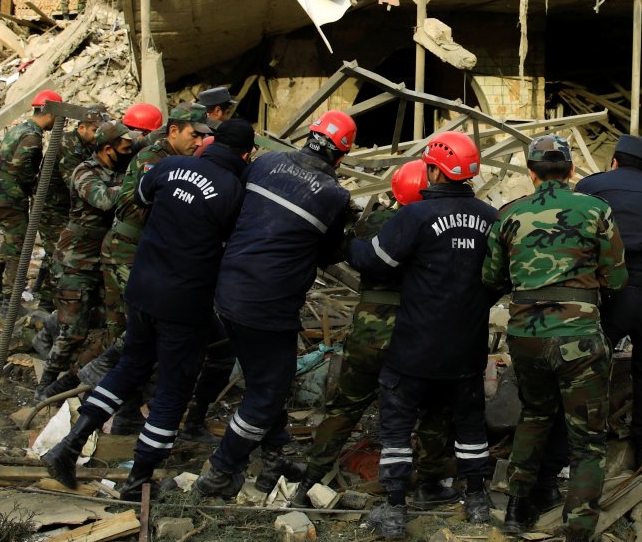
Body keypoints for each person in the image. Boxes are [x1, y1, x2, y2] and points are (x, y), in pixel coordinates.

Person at [41, 119, 254, 500]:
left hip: (141, 288)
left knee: (130, 367)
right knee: (174, 389)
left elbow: (138, 199)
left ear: (211, 142)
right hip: (184, 302)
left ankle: (68, 446)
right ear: (246, 155)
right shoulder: (234, 191)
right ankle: (138, 480)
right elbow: (233, 242)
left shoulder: (168, 167)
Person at [483, 134, 625, 542]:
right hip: (579, 337)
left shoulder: (508, 214)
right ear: (569, 171)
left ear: (530, 171)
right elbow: (617, 277)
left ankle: (515, 511)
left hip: (524, 335)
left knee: (535, 415)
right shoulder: (596, 210)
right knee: (587, 443)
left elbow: (490, 277)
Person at [196, 109, 357, 499]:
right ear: (341, 154)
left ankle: (274, 459)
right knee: (268, 391)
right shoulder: (334, 195)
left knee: (268, 379)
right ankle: (221, 470)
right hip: (269, 303)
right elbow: (327, 254)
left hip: (228, 287)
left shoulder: (265, 163)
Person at [350, 132, 499, 538]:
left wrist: (347, 242)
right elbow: (500, 278)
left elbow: (375, 262)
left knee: (397, 424)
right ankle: (477, 500)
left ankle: (395, 508)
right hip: (466, 347)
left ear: (434, 169)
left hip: (414, 346)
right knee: (469, 424)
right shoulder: (490, 218)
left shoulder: (414, 217)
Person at [292, 160, 455, 509]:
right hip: (419, 330)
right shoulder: (438, 226)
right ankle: (429, 482)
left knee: (347, 404)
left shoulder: (373, 223)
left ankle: (311, 476)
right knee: (432, 407)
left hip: (370, 330)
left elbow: (335, 250)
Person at [98, 103, 219, 437]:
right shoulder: (156, 160)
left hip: (147, 255)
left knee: (141, 334)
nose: (198, 143)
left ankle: (134, 404)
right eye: (194, 135)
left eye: (203, 137)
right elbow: (140, 205)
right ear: (174, 131)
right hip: (128, 252)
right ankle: (118, 399)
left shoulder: (178, 161)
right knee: (132, 333)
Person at [575, 134, 642, 467]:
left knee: (589, 369)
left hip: (609, 293)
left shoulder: (589, 186)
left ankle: (585, 449)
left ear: (614, 162)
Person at [37, 119, 141, 400]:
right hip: (76, 259)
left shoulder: (120, 169)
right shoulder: (85, 172)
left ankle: (71, 373)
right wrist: (139, 188)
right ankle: (44, 386)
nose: (130, 151)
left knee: (98, 324)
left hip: (104, 260)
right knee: (73, 330)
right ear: (108, 149)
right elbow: (103, 200)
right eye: (125, 148)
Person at [19, 105, 107, 309]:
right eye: (95, 131)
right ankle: (48, 305)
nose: (97, 136)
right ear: (82, 128)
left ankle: (47, 295)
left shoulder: (88, 144)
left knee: (57, 252)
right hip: (52, 209)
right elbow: (75, 184)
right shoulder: (68, 144)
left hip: (67, 208)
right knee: (58, 256)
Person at [0, 90, 61, 304]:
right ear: (51, 114)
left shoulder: (21, 128)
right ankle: (9, 298)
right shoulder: (32, 136)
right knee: (20, 244)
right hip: (8, 195)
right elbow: (20, 167)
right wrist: (34, 185)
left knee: (12, 237)